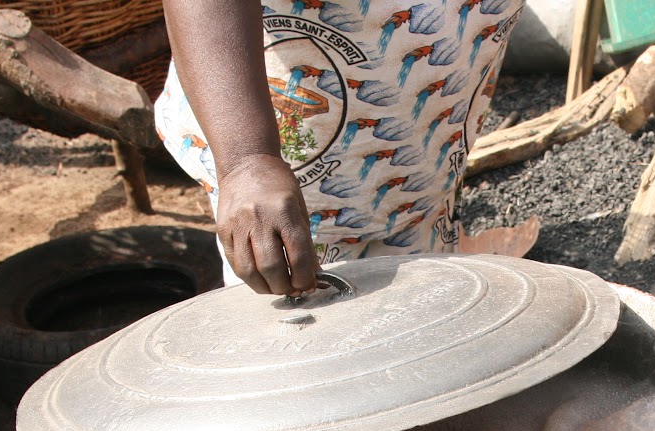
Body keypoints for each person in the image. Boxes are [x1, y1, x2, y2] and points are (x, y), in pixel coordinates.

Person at [156, 0, 524, 296]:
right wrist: (247, 160)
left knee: (424, 319)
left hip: (425, 161)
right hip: (294, 189)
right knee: (308, 341)